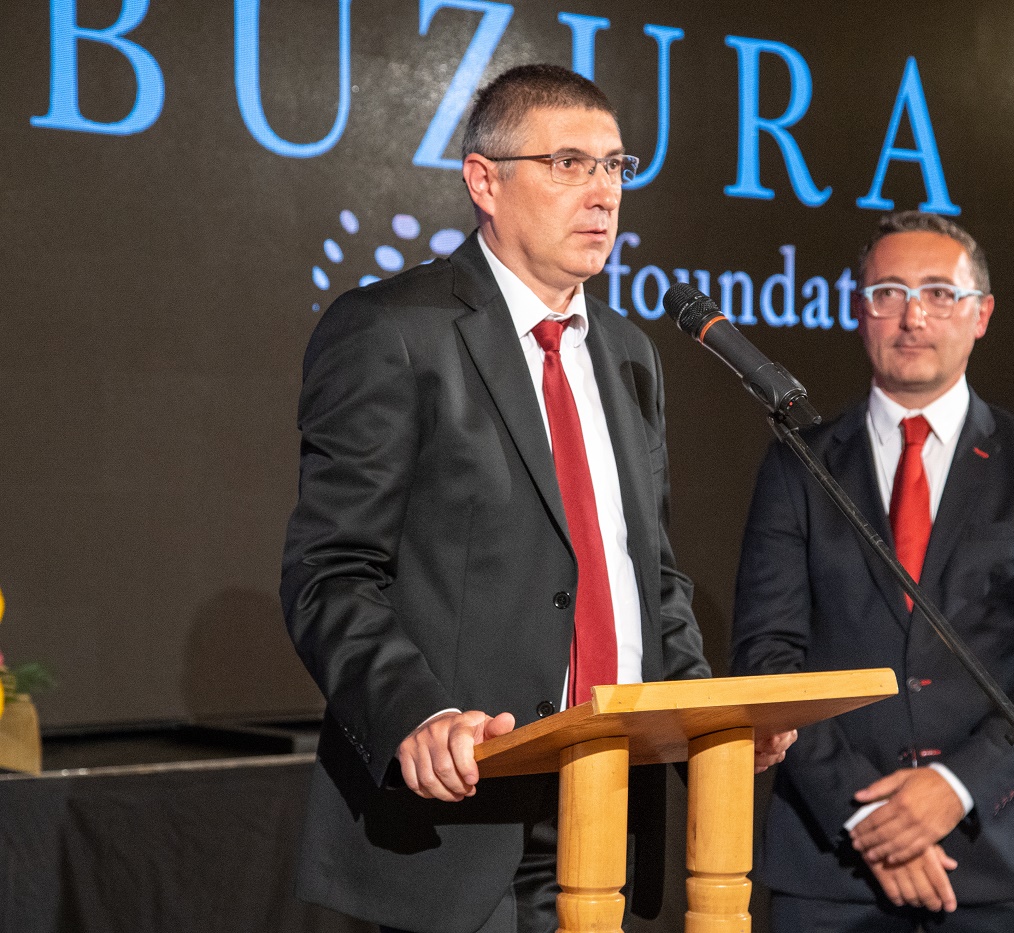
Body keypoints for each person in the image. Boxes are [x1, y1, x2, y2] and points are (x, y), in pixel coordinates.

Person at [281, 64, 791, 933]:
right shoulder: (393, 331)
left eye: (615, 166)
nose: (602, 193)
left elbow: (648, 580)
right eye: (567, 164)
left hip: (610, 810)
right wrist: (415, 711)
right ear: (484, 181)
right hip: (466, 816)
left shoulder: (629, 352)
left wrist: (707, 722)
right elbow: (330, 572)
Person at [730, 211, 1014, 932]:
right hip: (833, 865)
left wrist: (954, 786)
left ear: (981, 314)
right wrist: (872, 820)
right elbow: (767, 659)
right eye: (889, 293)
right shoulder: (798, 463)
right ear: (858, 310)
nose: (913, 317)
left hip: (1003, 856)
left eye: (939, 293)